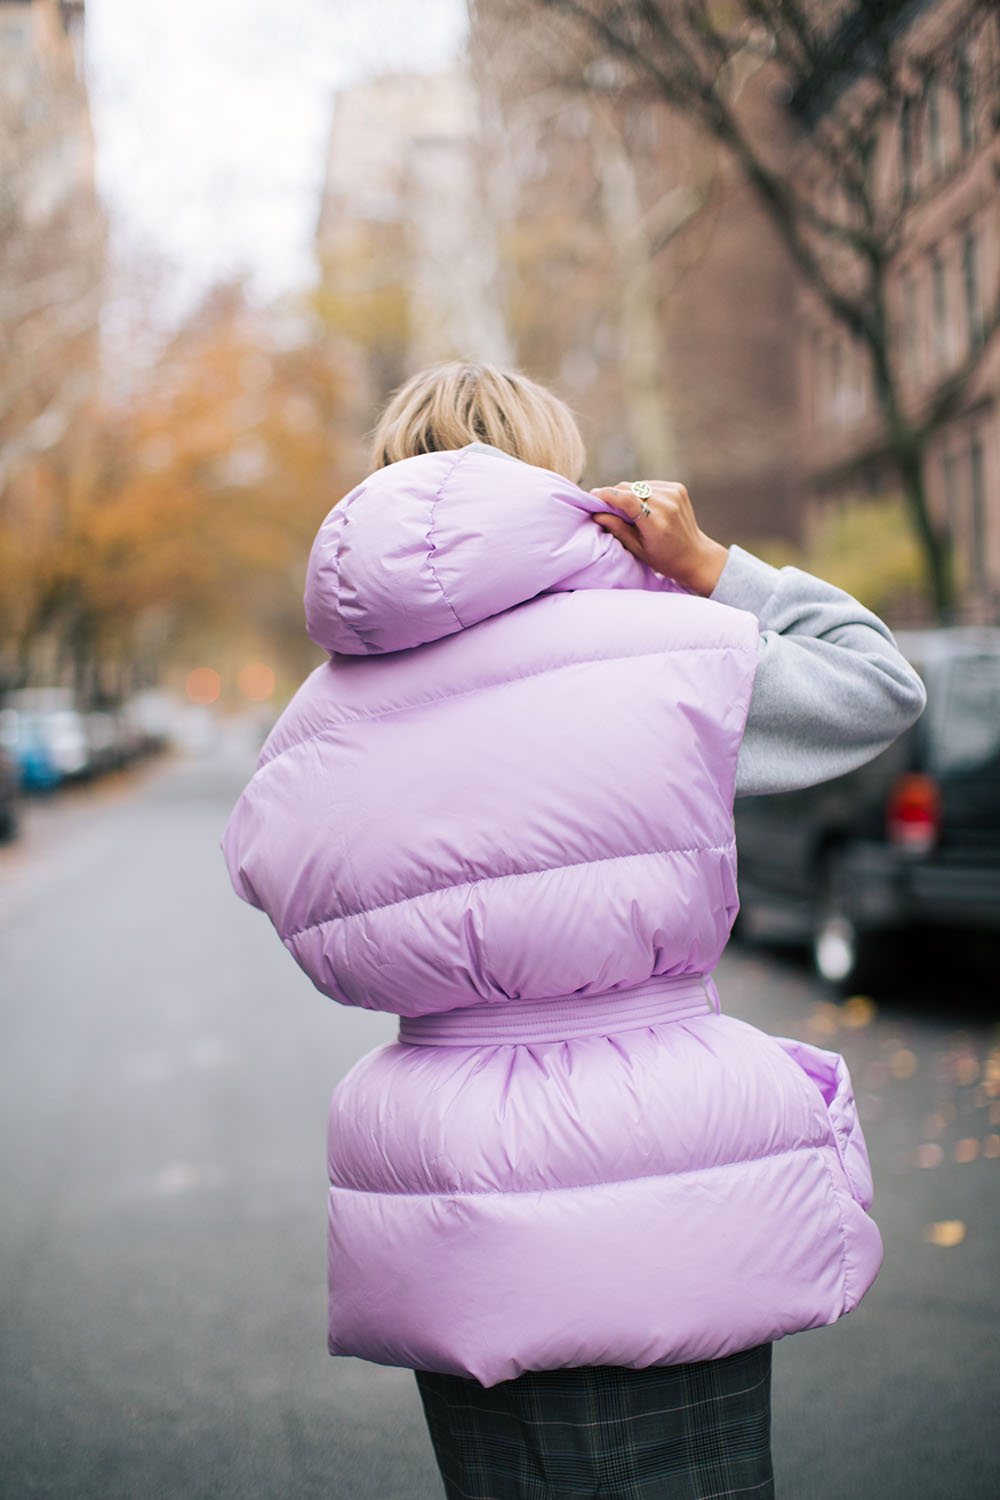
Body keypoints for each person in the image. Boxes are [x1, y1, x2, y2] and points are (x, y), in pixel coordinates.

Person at [222, 361, 926, 1499]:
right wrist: (708, 569)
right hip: (658, 1169)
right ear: (555, 478)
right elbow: (874, 688)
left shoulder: (318, 721)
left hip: (439, 1181)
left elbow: (271, 876)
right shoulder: (657, 651)